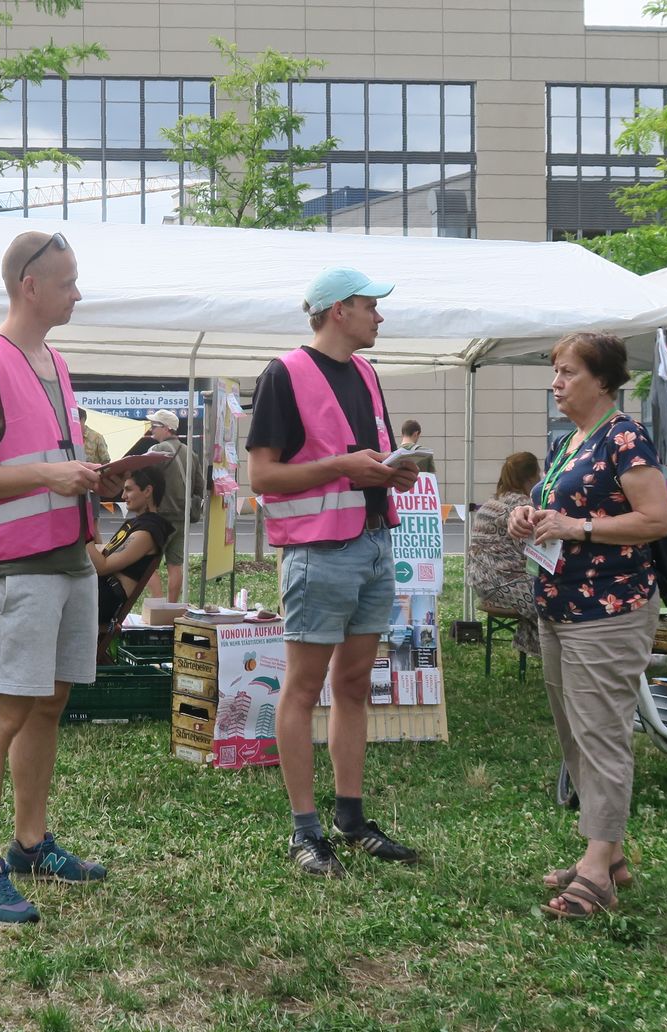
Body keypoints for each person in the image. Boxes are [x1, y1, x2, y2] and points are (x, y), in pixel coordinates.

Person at [0, 229, 112, 925]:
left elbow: (47, 457)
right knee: (4, 706)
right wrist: (50, 474)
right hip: (18, 565)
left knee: (47, 703)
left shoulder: (55, 362)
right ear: (29, 286)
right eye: (68, 281)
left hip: (70, 557)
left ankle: (30, 842)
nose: (78, 292)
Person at [247, 267, 421, 878]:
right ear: (337, 309)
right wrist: (344, 467)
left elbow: (363, 460)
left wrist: (391, 471)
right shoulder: (284, 374)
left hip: (374, 544)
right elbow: (262, 478)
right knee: (301, 689)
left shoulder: (368, 374)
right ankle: (305, 831)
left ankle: (350, 818)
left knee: (352, 688)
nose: (380, 316)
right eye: (372, 306)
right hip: (318, 551)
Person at [506, 330, 667, 920]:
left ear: (602, 380)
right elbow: (563, 508)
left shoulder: (626, 436)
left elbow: (658, 519)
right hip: (560, 604)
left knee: (601, 732)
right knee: (576, 731)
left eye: (568, 372)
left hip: (609, 609)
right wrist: (532, 517)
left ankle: (596, 873)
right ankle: (609, 853)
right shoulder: (566, 442)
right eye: (555, 371)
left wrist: (578, 529)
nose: (556, 382)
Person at [468, 451, 543, 653]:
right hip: (505, 584)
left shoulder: (492, 504)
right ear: (531, 477)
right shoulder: (523, 508)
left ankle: (535, 647)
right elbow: (535, 554)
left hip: (481, 581)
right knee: (553, 600)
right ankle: (551, 653)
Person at [87, 465, 171, 626]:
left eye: (129, 490)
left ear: (147, 491)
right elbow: (105, 553)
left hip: (104, 600)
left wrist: (81, 534)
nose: (123, 496)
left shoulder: (148, 531)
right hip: (97, 592)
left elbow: (102, 566)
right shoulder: (137, 524)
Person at [145, 408, 208, 603]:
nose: (151, 431)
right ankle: (172, 607)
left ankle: (157, 603)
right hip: (182, 517)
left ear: (167, 428)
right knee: (175, 565)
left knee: (147, 564)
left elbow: (142, 481)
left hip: (159, 516)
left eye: (154, 426)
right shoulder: (191, 452)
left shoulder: (156, 451)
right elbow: (200, 486)